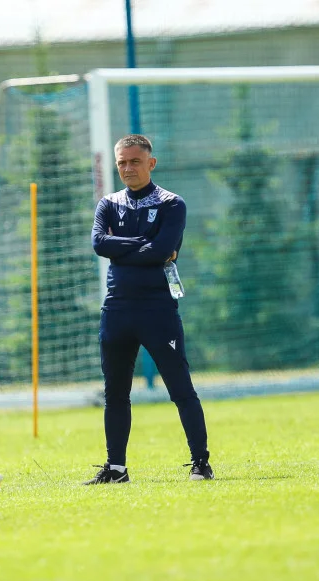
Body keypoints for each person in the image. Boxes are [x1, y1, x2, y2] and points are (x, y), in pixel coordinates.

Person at [86, 134, 213, 484]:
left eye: (135, 161)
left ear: (150, 163)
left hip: (157, 308)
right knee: (115, 392)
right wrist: (143, 243)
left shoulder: (172, 204)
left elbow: (163, 250)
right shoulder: (108, 204)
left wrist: (124, 248)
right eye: (122, 162)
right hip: (117, 309)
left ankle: (201, 462)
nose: (128, 168)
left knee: (180, 388)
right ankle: (116, 468)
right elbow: (99, 243)